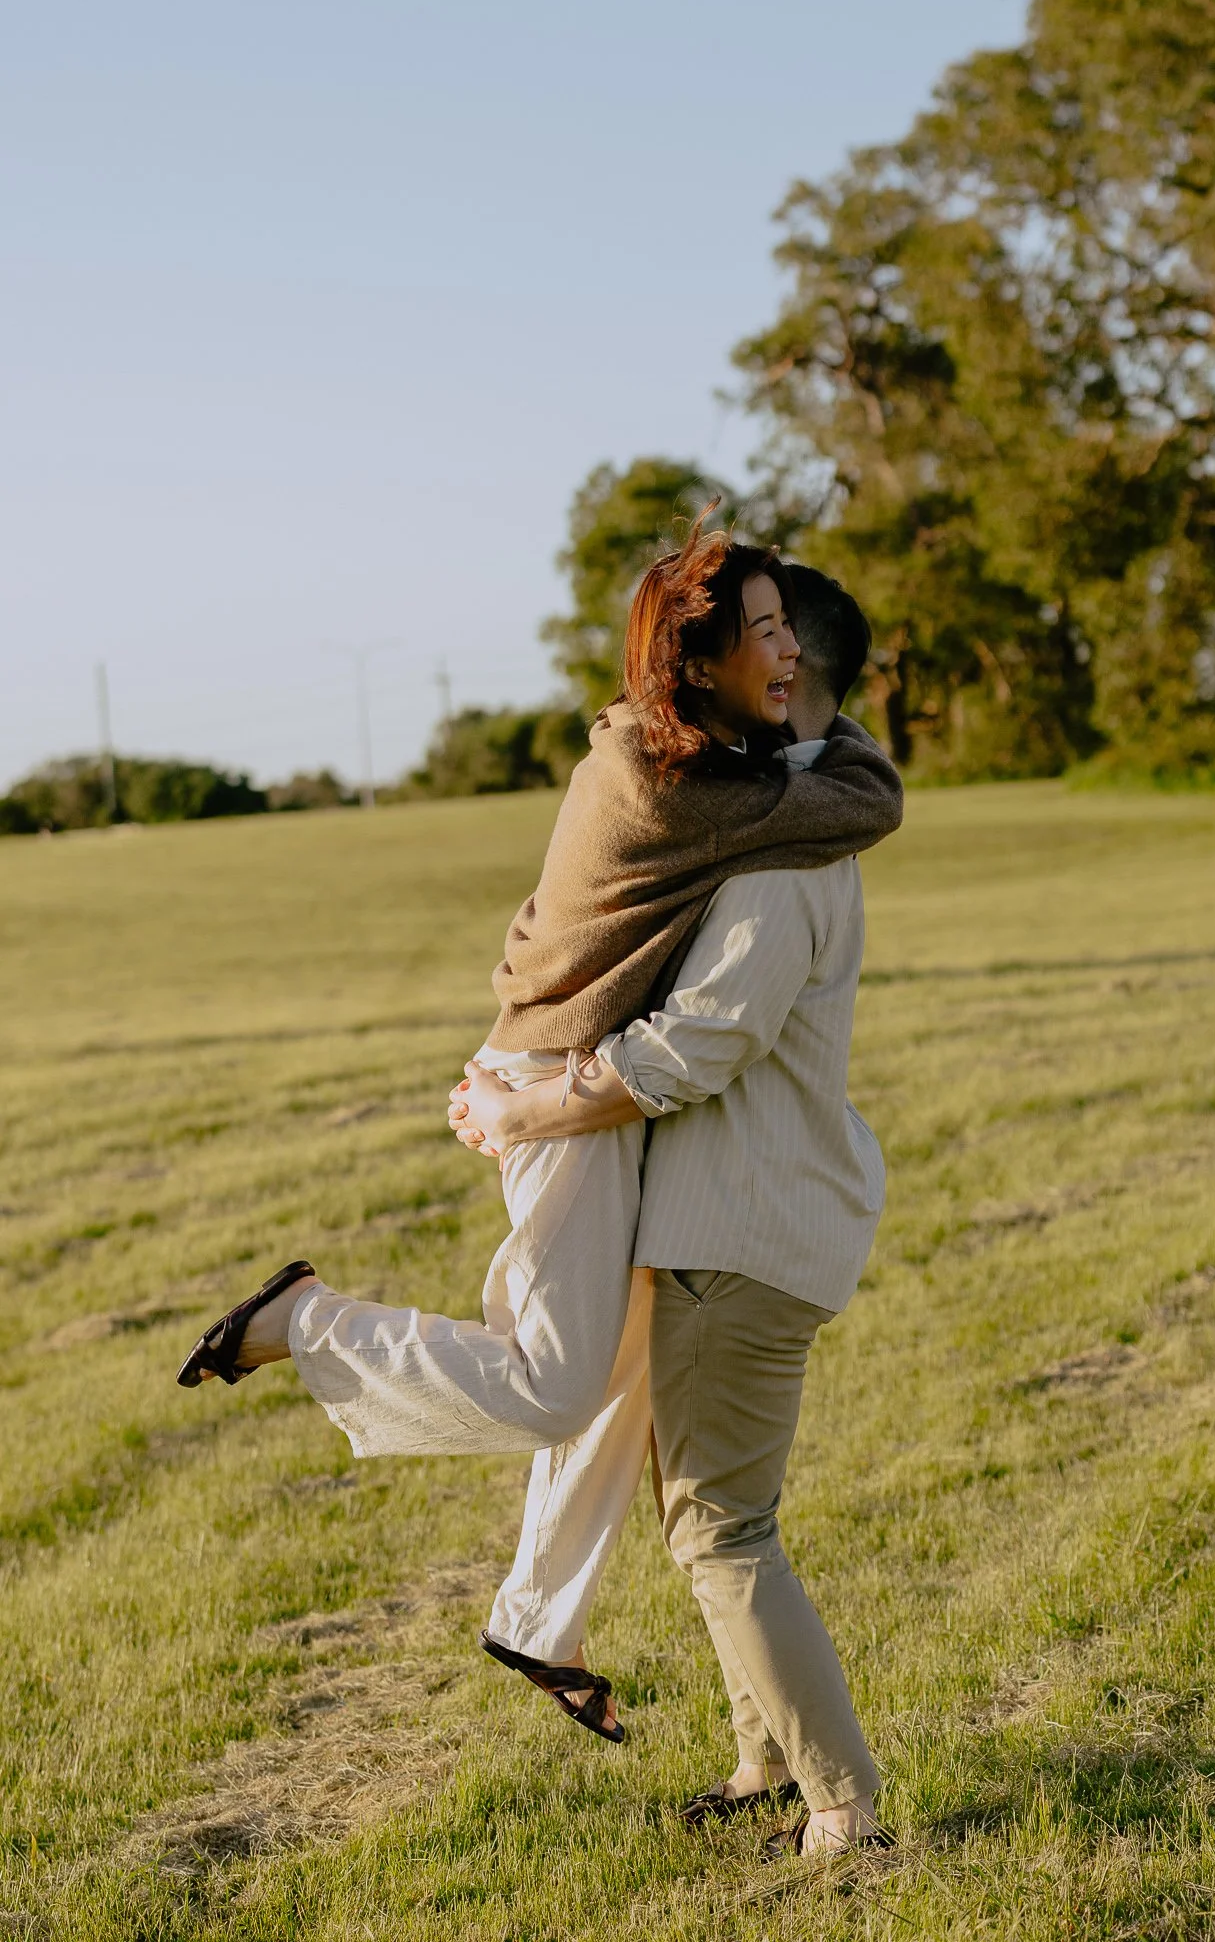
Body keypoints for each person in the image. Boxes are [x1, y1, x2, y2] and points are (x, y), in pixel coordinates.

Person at [175, 521, 903, 1748]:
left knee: (617, 1370)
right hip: (563, 1081)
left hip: (569, 1061)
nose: (782, 654)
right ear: (700, 660)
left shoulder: (672, 752)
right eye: (762, 632)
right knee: (555, 1381)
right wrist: (521, 1090)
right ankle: (304, 1320)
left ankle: (535, 1623)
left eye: (789, 631)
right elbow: (866, 797)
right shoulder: (693, 789)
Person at [454, 567, 892, 1858]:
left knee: (724, 1531)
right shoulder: (785, 822)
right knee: (708, 1522)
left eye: (775, 637)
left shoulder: (780, 858)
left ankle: (841, 1803)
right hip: (744, 1221)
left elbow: (696, 1045)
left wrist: (527, 1107)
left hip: (736, 1231)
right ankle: (765, 1762)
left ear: (796, 676)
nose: (764, 654)